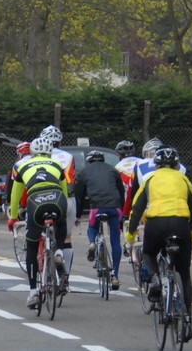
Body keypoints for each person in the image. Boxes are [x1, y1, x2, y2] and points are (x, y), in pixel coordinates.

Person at [125, 147, 192, 342]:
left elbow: (136, 208)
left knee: (149, 252)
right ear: (177, 166)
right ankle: (187, 320)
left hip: (156, 223)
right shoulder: (183, 179)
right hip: (180, 224)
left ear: (156, 165)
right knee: (184, 275)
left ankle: (156, 278)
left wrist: (130, 237)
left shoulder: (150, 179)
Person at [8, 136, 69, 308]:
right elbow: (64, 192)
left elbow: (15, 196)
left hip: (36, 202)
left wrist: (13, 217)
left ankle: (33, 292)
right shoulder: (57, 165)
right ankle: (59, 253)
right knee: (61, 221)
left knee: (32, 247)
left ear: (32, 153)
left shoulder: (23, 166)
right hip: (57, 199)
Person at [75, 149, 125, 290]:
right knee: (115, 240)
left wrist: (78, 214)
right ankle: (115, 275)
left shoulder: (84, 172)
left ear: (89, 161)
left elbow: (79, 196)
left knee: (92, 227)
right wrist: (121, 210)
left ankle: (92, 243)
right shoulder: (113, 170)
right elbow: (121, 191)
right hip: (115, 207)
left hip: (97, 207)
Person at [42, 125, 76, 292]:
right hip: (66, 198)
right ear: (60, 142)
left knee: (40, 236)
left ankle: (43, 277)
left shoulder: (40, 156)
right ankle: (65, 278)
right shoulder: (69, 157)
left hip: (43, 197)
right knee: (66, 238)